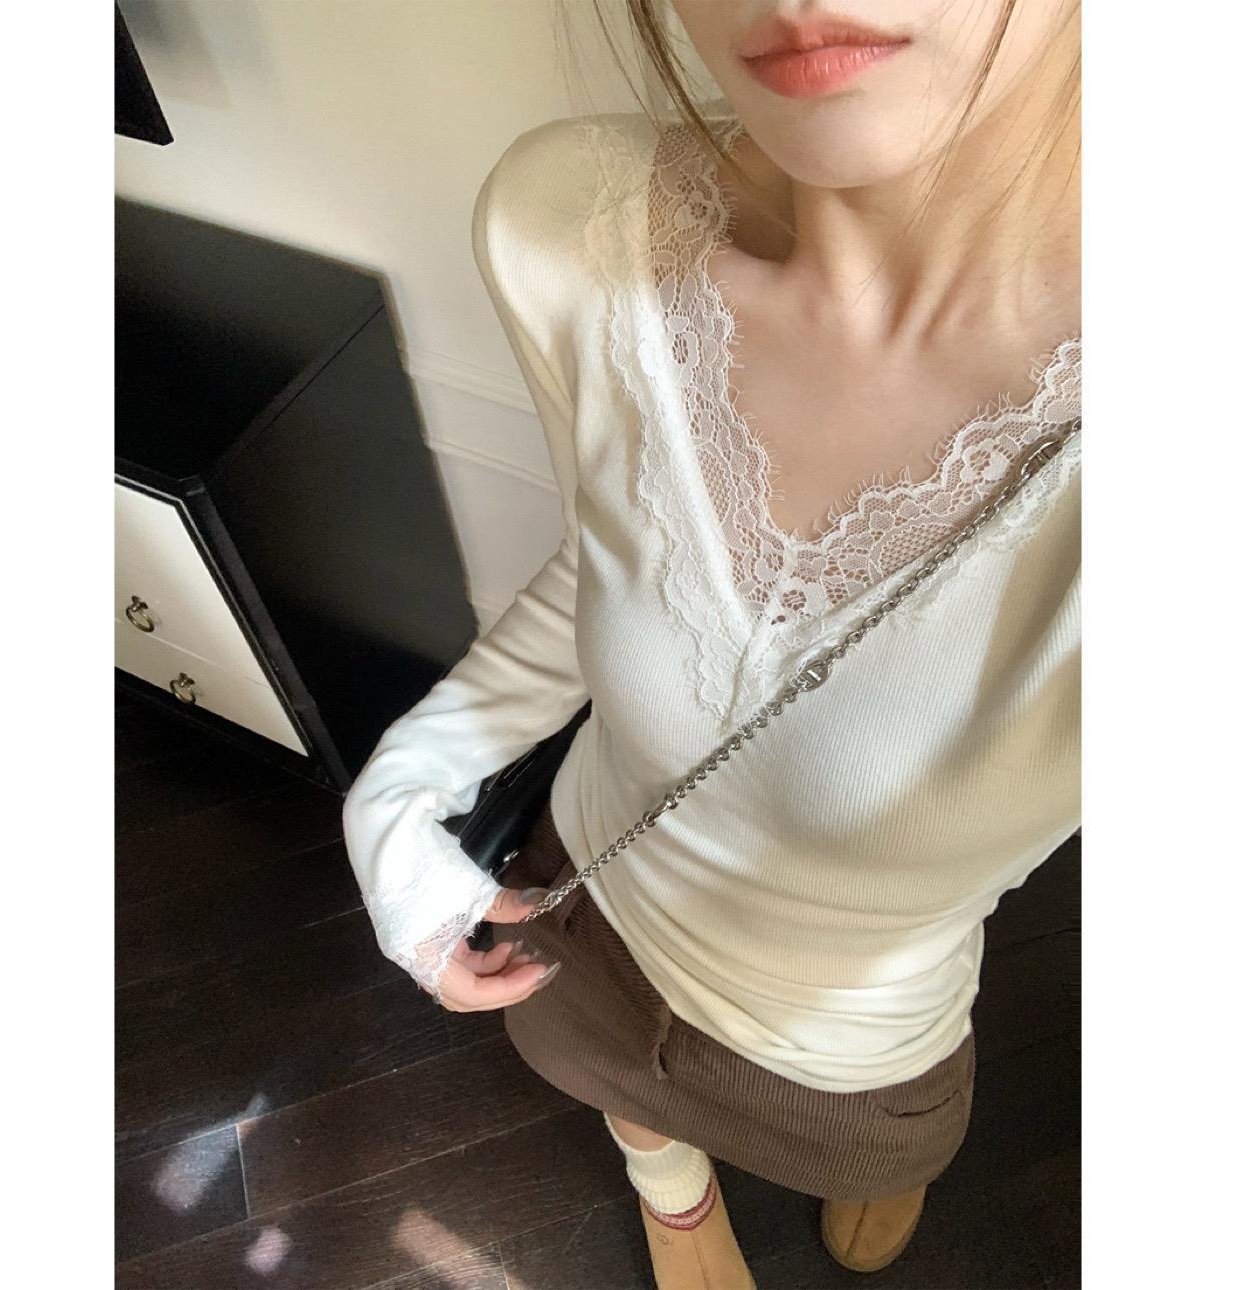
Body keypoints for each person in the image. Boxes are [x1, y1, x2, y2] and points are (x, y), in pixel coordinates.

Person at [342, 1, 1080, 1283]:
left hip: (848, 1058)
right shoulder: (570, 225)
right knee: (615, 1089)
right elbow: (622, 564)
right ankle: (671, 1195)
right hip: (576, 914)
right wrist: (400, 786)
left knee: (883, 1160)